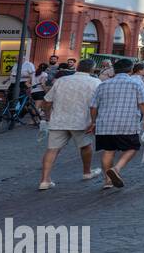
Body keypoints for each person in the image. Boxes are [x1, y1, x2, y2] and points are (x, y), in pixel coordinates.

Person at [37, 58, 102, 190]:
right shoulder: (95, 82)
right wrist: (95, 121)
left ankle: (44, 180)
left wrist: (48, 116)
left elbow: (47, 101)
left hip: (59, 120)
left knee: (52, 149)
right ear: (92, 69)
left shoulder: (62, 81)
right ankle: (87, 172)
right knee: (85, 146)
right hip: (81, 121)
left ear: (77, 67)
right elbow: (97, 104)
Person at [88, 58, 144, 190]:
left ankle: (107, 181)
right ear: (130, 70)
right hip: (127, 123)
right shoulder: (136, 83)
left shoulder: (103, 84)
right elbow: (143, 104)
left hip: (105, 124)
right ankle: (116, 168)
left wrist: (93, 122)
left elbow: (93, 107)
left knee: (108, 151)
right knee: (133, 147)